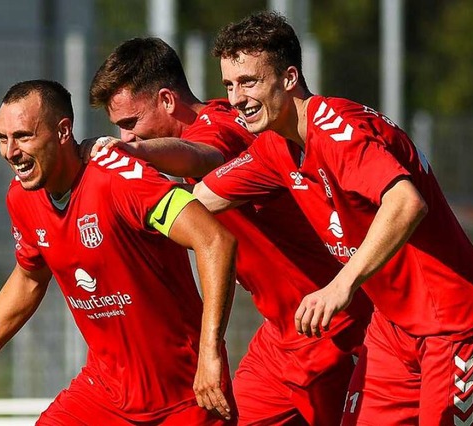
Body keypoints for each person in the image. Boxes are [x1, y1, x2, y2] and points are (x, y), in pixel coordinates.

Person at [194, 11, 473, 425]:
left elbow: (405, 203)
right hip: (393, 330)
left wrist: (340, 285)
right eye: (229, 85)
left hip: (454, 325)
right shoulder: (275, 146)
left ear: (289, 78)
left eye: (249, 82)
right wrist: (119, 181)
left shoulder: (336, 127)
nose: (236, 98)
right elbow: (199, 200)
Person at [87, 37, 373, 426]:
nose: (125, 139)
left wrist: (132, 155)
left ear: (168, 101)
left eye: (130, 124)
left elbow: (206, 156)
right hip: (280, 339)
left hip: (333, 330)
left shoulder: (220, 127)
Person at [0, 79, 239, 425]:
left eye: (23, 136)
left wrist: (209, 353)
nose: (11, 152)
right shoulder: (22, 198)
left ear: (63, 131)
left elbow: (215, 240)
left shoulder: (121, 179)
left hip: (186, 397)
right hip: (104, 395)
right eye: (2, 139)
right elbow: (28, 279)